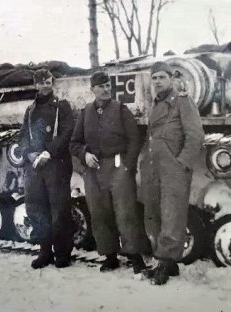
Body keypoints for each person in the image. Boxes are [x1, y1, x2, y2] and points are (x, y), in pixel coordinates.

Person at [70, 71, 149, 276]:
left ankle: (135, 256)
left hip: (118, 167)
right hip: (93, 170)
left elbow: (134, 139)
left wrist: (127, 166)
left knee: (125, 212)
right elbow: (74, 143)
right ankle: (110, 256)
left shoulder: (121, 109)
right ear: (92, 90)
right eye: (101, 86)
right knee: (99, 213)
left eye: (108, 86)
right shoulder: (85, 112)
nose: (106, 89)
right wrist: (84, 155)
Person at [140, 61, 205, 285]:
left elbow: (195, 135)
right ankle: (167, 262)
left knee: (172, 215)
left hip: (173, 169)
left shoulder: (183, 102)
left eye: (162, 77)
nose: (158, 81)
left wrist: (181, 164)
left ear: (171, 79)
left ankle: (164, 262)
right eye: (154, 78)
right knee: (155, 212)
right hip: (154, 168)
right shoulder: (156, 104)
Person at [18, 69, 75, 269]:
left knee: (59, 210)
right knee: (36, 208)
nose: (45, 86)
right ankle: (44, 251)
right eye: (41, 83)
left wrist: (48, 152)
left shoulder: (62, 106)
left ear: (53, 83)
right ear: (35, 85)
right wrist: (28, 153)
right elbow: (23, 135)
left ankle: (62, 253)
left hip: (56, 165)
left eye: (48, 82)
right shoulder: (30, 110)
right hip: (35, 167)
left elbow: (68, 131)